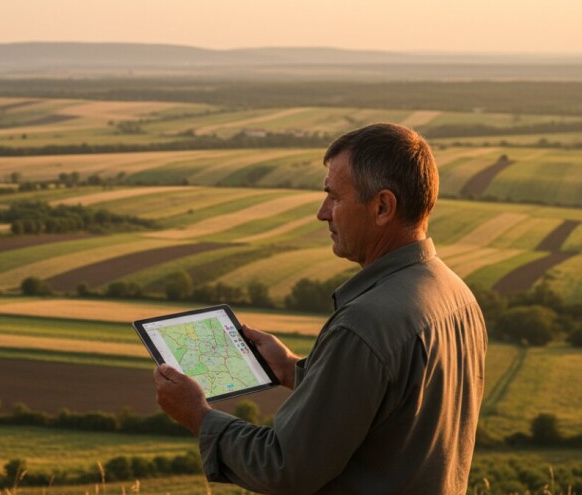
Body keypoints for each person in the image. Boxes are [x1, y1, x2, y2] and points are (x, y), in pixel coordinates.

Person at [153, 123, 487, 494]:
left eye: (334, 197)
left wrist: (198, 416)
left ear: (382, 207)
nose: (322, 213)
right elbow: (390, 404)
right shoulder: (458, 296)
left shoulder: (364, 324)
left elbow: (285, 467)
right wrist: (290, 369)